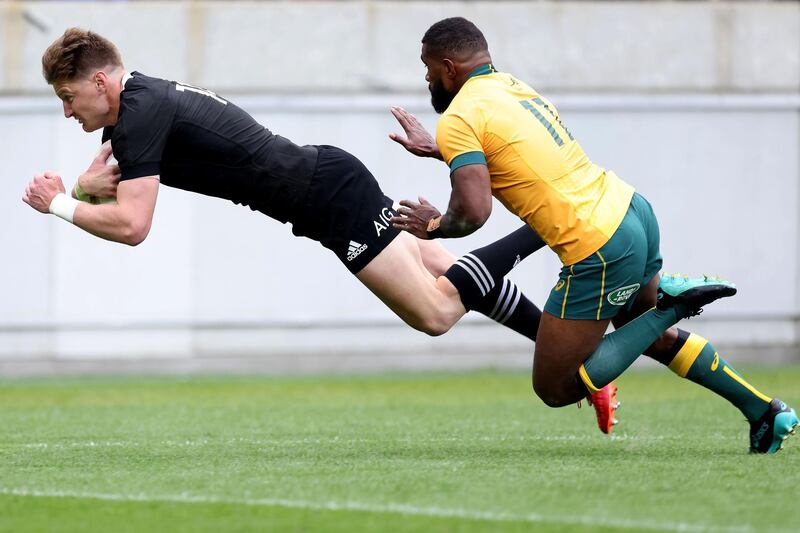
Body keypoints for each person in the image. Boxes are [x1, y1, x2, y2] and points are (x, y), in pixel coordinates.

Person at [23, 27, 590, 416]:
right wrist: (78, 191)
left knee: (437, 312)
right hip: (325, 184)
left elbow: (133, 226)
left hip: (327, 197)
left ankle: (545, 226)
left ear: (101, 82)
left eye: (68, 98)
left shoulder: (139, 113)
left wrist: (57, 204)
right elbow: (117, 193)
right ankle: (578, 358)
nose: (68, 112)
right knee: (440, 263)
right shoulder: (143, 103)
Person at [388, 16, 798, 453]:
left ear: (449, 67)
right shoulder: (512, 87)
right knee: (648, 338)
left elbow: (474, 212)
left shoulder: (460, 116)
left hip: (598, 245)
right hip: (632, 211)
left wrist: (433, 226)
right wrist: (446, 151)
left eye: (427, 66)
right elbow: (512, 153)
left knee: (556, 386)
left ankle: (672, 307)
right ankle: (764, 411)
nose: (426, 76)